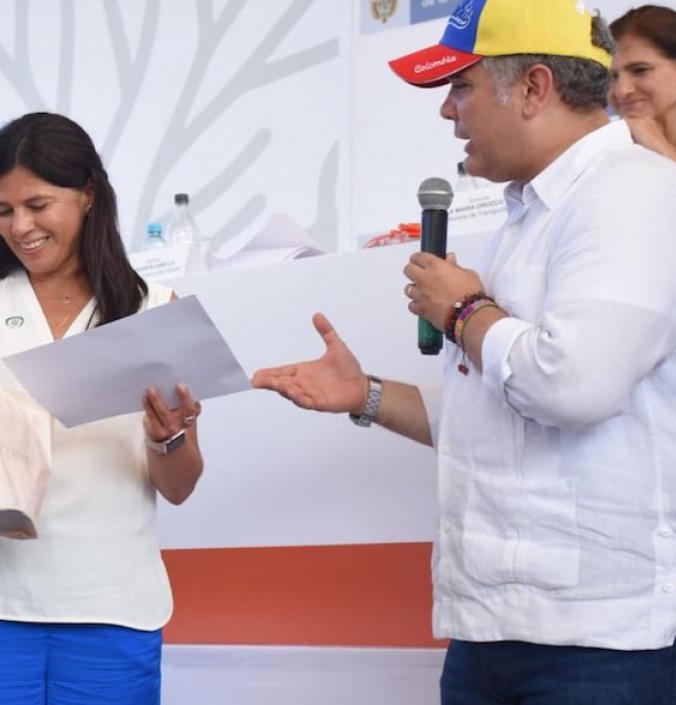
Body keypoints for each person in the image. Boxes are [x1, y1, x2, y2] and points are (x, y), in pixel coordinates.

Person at [256, 1, 676, 703]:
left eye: (461, 87)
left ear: (534, 88)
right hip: (490, 632)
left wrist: (462, 311)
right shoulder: (528, 216)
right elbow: (497, 407)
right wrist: (365, 395)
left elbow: (573, 386)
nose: (448, 111)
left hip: (598, 646)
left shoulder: (633, 192)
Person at [0, 112, 205, 705]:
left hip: (110, 606)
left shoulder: (153, 308)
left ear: (88, 194)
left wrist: (167, 437)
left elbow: (179, 486)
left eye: (38, 205)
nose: (20, 226)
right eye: (3, 210)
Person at [610, 5, 676, 159]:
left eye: (640, 70)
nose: (622, 90)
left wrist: (660, 148)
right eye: (612, 77)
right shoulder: (604, 153)